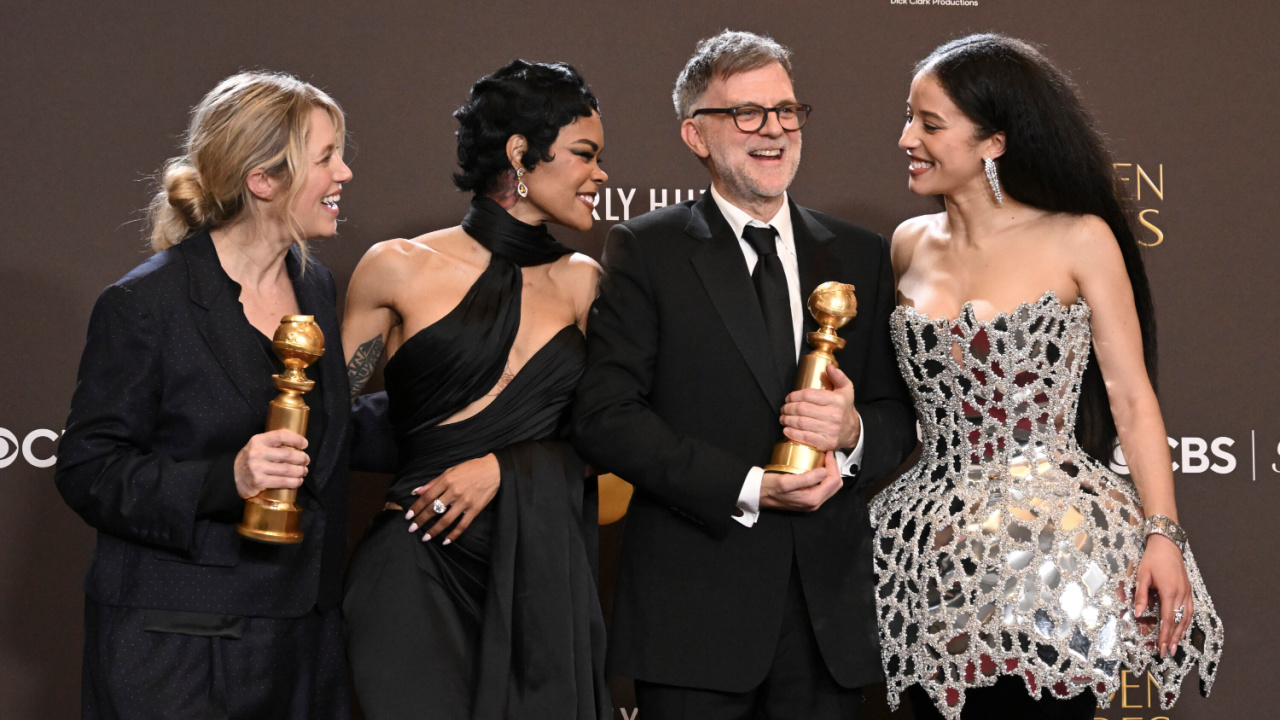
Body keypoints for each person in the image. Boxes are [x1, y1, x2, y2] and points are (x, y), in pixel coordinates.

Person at [872, 33, 1225, 720]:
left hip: (1056, 554)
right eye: (908, 117)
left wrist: (1163, 534)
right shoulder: (906, 243)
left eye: (929, 123)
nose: (906, 137)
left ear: (993, 143)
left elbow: (1130, 398)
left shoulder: (1078, 238)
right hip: (932, 556)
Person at [571, 31, 917, 720]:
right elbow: (606, 416)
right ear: (696, 135)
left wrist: (852, 434)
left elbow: (898, 414)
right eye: (747, 114)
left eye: (787, 111)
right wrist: (752, 486)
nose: (775, 131)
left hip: (828, 624)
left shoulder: (859, 252)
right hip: (695, 618)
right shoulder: (647, 249)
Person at [55, 71, 354, 719]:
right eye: (326, 157)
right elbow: (88, 468)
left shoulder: (316, 286)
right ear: (263, 179)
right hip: (177, 650)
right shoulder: (144, 304)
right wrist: (229, 478)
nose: (345, 174)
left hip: (300, 639)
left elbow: (330, 431)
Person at [340, 60, 610, 719]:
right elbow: (322, 421)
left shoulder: (586, 284)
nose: (601, 174)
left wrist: (505, 469)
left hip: (540, 583)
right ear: (521, 155)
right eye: (585, 154)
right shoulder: (395, 268)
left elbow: (614, 434)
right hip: (414, 569)